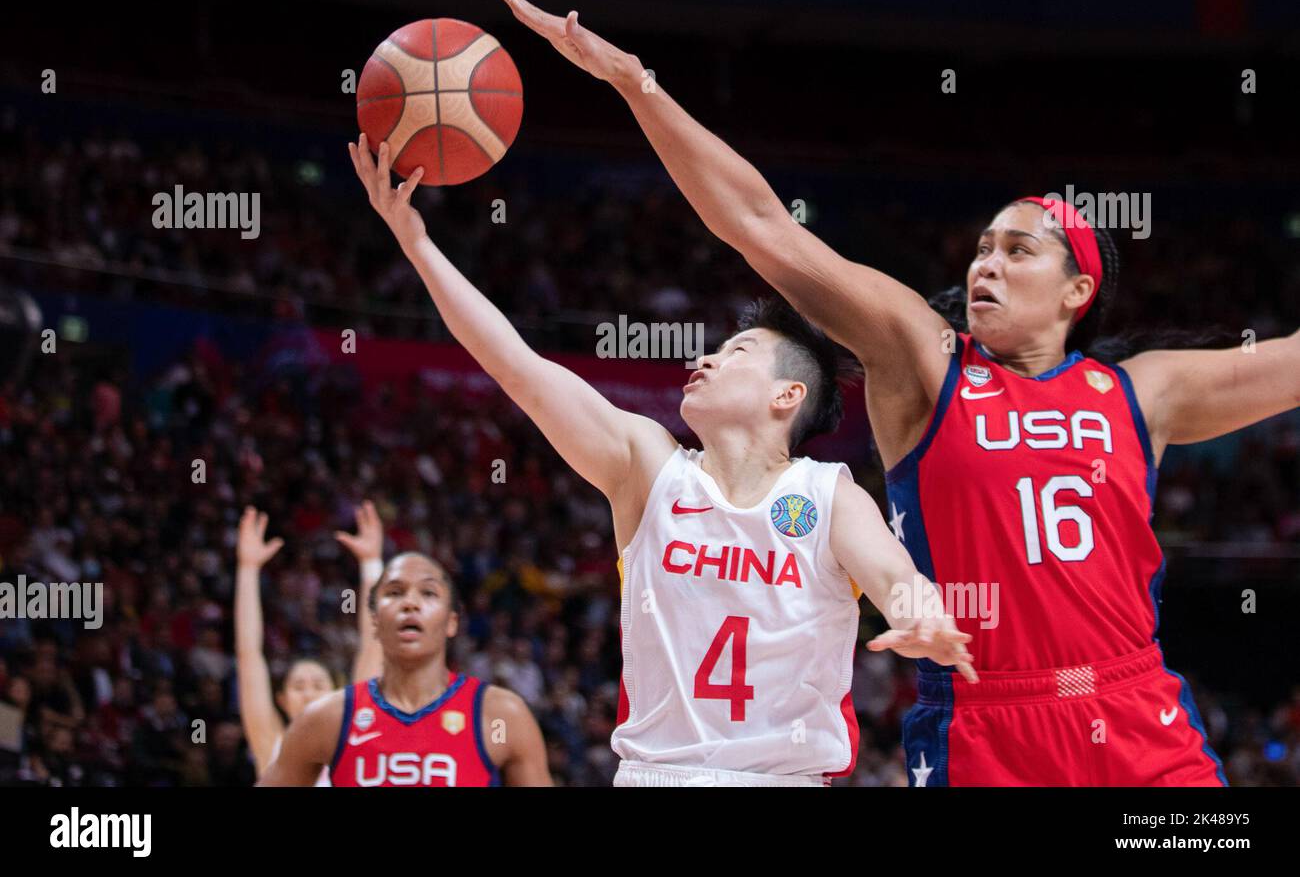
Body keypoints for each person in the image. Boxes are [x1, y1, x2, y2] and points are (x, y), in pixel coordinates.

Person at [497, 0, 1300, 785]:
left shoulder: (1143, 391)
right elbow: (761, 225)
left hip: (1134, 712)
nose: (986, 262)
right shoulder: (927, 358)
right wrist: (638, 85)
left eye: (1018, 251)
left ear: (1076, 292)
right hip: (986, 721)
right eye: (983, 246)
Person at [344, 130, 975, 787]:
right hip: (655, 775)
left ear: (787, 395)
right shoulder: (647, 466)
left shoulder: (830, 494)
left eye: (734, 354)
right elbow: (517, 367)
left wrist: (920, 617)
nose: (703, 360)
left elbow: (894, 577)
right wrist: (415, 240)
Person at [258, 552, 551, 786]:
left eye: (428, 593)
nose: (410, 603)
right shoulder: (325, 719)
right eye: (395, 592)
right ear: (374, 619)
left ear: (451, 622)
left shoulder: (502, 715)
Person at [236, 502, 385, 784]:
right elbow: (249, 655)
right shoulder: (272, 747)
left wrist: (371, 564)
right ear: (282, 700)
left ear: (335, 695)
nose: (308, 694)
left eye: (318, 686)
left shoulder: (355, 743)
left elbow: (374, 646)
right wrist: (248, 568)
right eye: (298, 686)